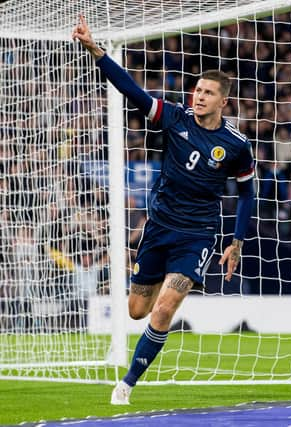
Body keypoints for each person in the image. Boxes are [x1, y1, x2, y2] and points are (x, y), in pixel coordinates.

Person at [72, 16, 256, 404]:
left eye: (208, 92)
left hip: (198, 234)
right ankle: (164, 296)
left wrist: (236, 242)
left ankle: (127, 384)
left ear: (223, 101)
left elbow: (246, 194)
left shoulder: (236, 145)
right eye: (197, 89)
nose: (199, 96)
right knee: (138, 310)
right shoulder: (175, 118)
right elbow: (133, 92)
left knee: (165, 308)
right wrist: (95, 49)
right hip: (159, 227)